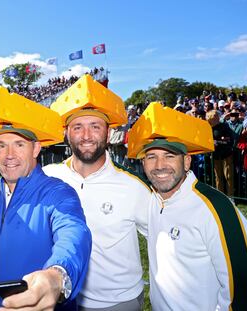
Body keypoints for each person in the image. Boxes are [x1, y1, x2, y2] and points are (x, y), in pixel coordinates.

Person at [129, 105, 247, 310]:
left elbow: (238, 297)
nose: (159, 165)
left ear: (187, 162)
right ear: (143, 164)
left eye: (169, 156)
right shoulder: (151, 200)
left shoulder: (218, 210)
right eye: (151, 157)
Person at [45, 74, 151, 311]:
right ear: (66, 133)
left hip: (118, 302)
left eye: (95, 126)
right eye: (78, 127)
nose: (86, 136)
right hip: (63, 300)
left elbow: (163, 239)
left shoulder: (133, 186)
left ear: (107, 132)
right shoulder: (49, 176)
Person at [0, 87, 92, 311]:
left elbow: (74, 234)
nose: (9, 155)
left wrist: (57, 275)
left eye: (19, 144)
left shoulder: (58, 193)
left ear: (36, 149)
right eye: (2, 146)